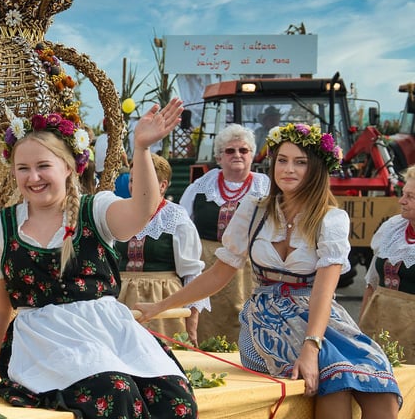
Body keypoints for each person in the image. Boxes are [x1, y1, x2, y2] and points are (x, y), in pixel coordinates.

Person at [0, 100, 197, 418]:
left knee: (175, 401)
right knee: (115, 393)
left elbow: (143, 210)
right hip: (46, 339)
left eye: (43, 166)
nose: (33, 177)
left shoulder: (94, 210)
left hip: (110, 332)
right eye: (22, 168)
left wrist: (141, 148)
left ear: (68, 167)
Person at [137, 123, 401, 417]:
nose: (288, 169)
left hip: (319, 317)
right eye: (283, 160)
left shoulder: (331, 219)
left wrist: (311, 346)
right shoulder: (254, 210)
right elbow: (217, 274)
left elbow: (325, 291)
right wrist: (160, 305)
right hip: (266, 317)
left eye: (300, 162)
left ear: (316, 170)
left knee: (382, 388)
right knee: (334, 384)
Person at [178, 124, 269, 342]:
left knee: (245, 316)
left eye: (243, 150)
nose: (237, 155)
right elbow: (181, 225)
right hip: (207, 263)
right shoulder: (200, 186)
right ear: (219, 158)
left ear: (252, 155)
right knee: (206, 317)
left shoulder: (265, 187)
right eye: (230, 151)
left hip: (248, 268)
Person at [116, 153, 208, 345]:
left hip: (163, 301)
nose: (136, 185)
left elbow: (192, 273)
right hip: (122, 300)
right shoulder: (119, 212)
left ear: (163, 185)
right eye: (133, 180)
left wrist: (192, 322)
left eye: (143, 180)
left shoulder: (175, 218)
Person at [360, 165, 415, 358]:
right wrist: (360, 333)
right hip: (379, 327)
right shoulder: (392, 228)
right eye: (403, 194)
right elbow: (372, 284)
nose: (402, 201)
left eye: (411, 197)